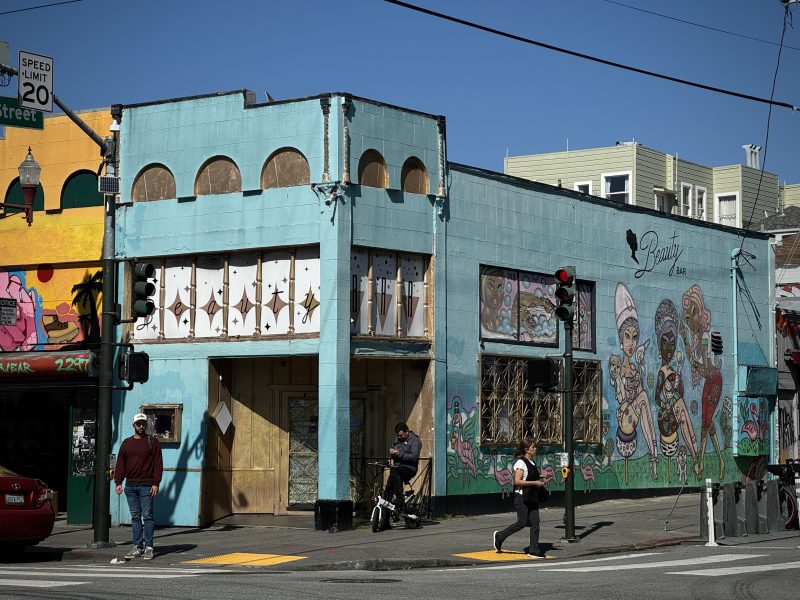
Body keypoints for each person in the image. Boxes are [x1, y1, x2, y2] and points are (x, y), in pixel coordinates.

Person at [115, 413, 163, 561]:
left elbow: (158, 464)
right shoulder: (126, 443)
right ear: (133, 425)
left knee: (147, 517)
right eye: (138, 424)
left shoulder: (152, 442)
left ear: (146, 425)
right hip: (130, 486)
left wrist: (155, 483)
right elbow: (120, 464)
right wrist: (118, 482)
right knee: (135, 517)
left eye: (143, 423)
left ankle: (149, 547)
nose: (141, 426)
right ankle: (137, 546)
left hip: (146, 486)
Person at [493, 438, 548, 558]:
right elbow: (517, 481)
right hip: (521, 497)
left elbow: (528, 475)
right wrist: (535, 483)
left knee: (535, 523)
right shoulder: (520, 463)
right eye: (532, 447)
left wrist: (541, 476)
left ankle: (533, 550)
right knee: (521, 523)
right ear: (526, 449)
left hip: (531, 497)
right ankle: (500, 536)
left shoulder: (532, 462)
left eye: (534, 447)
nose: (535, 449)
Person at [384, 422, 421, 511]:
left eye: (401, 435)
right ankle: (385, 522)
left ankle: (400, 498)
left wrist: (399, 453)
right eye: (398, 436)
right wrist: (390, 458)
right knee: (388, 491)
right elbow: (391, 451)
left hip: (409, 468)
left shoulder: (415, 441)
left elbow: (414, 457)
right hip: (396, 469)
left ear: (407, 431)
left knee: (395, 470)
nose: (399, 438)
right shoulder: (396, 439)